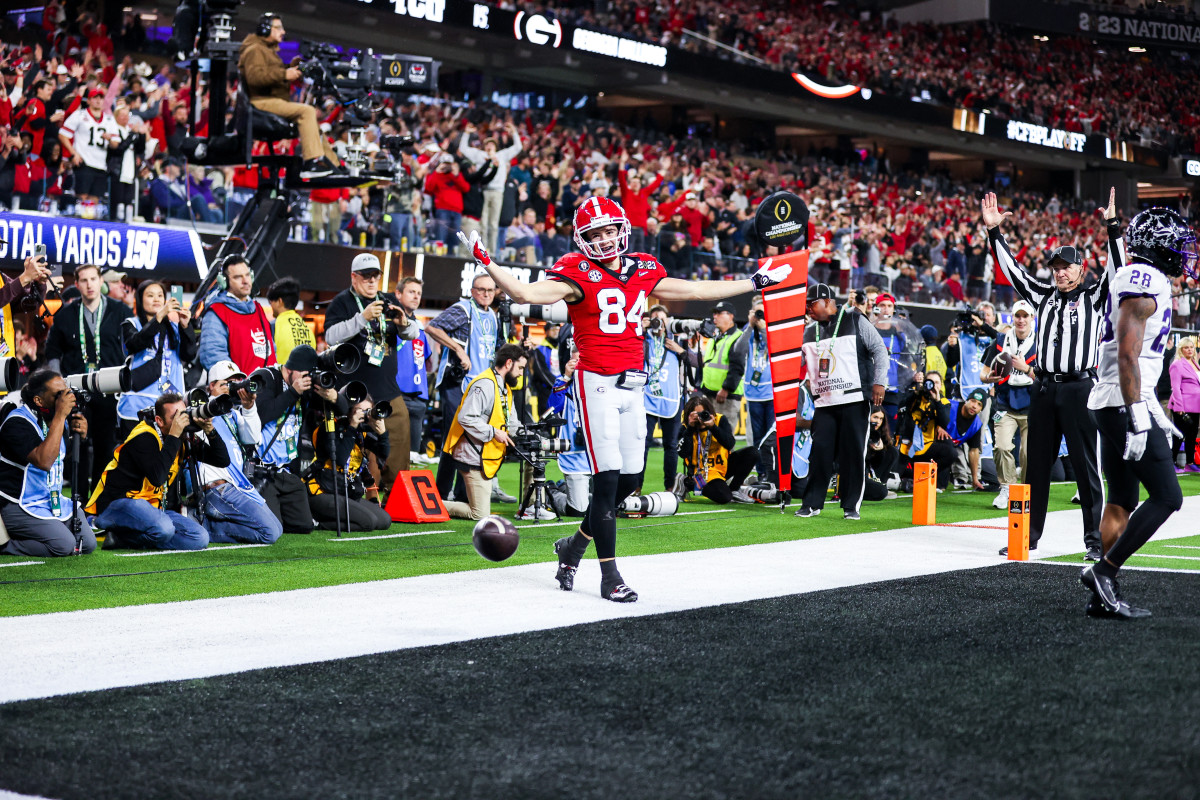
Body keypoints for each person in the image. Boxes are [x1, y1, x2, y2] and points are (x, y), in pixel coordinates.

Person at [460, 195, 791, 601]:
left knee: (632, 479)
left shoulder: (643, 266)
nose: (602, 239)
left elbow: (697, 288)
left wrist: (754, 280)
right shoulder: (575, 270)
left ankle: (574, 546)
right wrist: (486, 261)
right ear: (582, 238)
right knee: (608, 477)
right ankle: (609, 577)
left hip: (634, 384)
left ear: (622, 228)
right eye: (593, 233)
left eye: (608, 229)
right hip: (595, 380)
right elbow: (527, 294)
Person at [984, 191, 1112, 559]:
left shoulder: (1094, 297)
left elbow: (1117, 270)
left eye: (1066, 266)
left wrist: (1113, 228)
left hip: (1080, 387)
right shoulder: (1044, 295)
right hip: (1044, 387)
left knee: (1087, 469)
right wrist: (995, 233)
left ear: (1081, 269)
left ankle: (1094, 541)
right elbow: (1014, 272)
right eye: (1056, 265)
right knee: (1034, 466)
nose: (1059, 270)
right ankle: (1028, 536)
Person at [1082, 206, 1192, 619]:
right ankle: (1105, 573)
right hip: (1124, 401)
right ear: (1159, 246)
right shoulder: (1144, 278)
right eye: (1177, 246)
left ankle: (1101, 596)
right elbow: (1128, 354)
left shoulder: (1140, 277)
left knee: (1121, 502)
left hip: (1113, 399)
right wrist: (1139, 414)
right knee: (1168, 495)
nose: (1183, 254)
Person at [323, 253, 421, 486]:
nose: (371, 281)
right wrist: (362, 318)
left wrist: (403, 323)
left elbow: (414, 333)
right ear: (354, 277)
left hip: (388, 390)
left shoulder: (388, 300)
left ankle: (395, 497)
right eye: (365, 276)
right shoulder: (342, 301)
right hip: (355, 393)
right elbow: (330, 336)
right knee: (363, 453)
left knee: (398, 446)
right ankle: (364, 495)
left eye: (375, 276)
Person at [86, 392, 229, 551]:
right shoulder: (144, 437)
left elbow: (222, 460)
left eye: (183, 414)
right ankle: (108, 523)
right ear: (159, 421)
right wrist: (174, 435)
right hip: (121, 503)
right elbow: (157, 477)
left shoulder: (181, 439)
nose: (180, 421)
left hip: (154, 509)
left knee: (199, 538)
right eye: (175, 417)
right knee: (164, 529)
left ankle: (123, 538)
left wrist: (210, 430)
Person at [794, 283, 889, 520]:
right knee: (820, 452)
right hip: (824, 402)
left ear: (827, 302)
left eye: (811, 304)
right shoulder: (808, 331)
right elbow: (798, 364)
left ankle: (850, 505)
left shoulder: (855, 319)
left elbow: (879, 349)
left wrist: (879, 382)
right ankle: (812, 503)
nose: (807, 309)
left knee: (853, 453)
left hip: (855, 398)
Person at [45, 263, 134, 488]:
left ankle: (99, 503)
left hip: (109, 389)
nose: (89, 285)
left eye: (93, 279)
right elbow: (53, 351)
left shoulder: (121, 311)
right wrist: (59, 386)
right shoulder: (65, 314)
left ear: (101, 281)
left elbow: (133, 348)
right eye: (84, 280)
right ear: (77, 284)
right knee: (79, 445)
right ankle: (79, 500)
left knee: (105, 447)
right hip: (76, 390)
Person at [426, 272, 509, 503]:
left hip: (480, 387)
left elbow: (497, 349)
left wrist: (520, 347)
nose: (485, 293)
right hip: (457, 383)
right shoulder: (463, 309)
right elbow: (432, 328)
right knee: (454, 438)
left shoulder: (492, 316)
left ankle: (463, 496)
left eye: (490, 290)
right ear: (472, 291)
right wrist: (458, 349)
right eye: (480, 289)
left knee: (472, 440)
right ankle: (441, 494)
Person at [0, 369, 95, 557]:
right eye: (58, 395)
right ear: (38, 401)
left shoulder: (54, 420)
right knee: (65, 545)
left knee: (87, 543)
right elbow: (44, 461)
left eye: (65, 392)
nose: (65, 398)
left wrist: (79, 438)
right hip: (17, 503)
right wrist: (60, 416)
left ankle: (44, 532)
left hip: (49, 500)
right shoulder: (17, 423)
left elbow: (58, 457)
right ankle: (6, 546)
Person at [237, 13, 341, 179]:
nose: (283, 31)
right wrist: (285, 74)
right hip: (261, 102)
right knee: (307, 111)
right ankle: (311, 163)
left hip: (273, 100)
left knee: (311, 122)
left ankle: (333, 165)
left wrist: (291, 67)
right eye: (278, 28)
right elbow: (255, 78)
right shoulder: (254, 50)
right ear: (264, 30)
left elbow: (268, 73)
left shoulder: (266, 50)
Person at [250, 345, 340, 534]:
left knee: (304, 526)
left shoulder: (305, 387)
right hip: (262, 470)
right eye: (304, 374)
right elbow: (260, 414)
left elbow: (342, 411)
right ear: (289, 369)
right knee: (274, 527)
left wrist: (333, 397)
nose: (306, 379)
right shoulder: (266, 376)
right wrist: (292, 392)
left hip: (288, 472)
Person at [194, 361, 282, 545]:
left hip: (238, 486)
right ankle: (206, 527)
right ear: (211, 386)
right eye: (226, 384)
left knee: (277, 528)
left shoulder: (234, 415)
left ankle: (212, 522)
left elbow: (252, 437)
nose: (231, 388)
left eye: (237, 382)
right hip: (217, 489)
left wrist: (249, 406)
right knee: (269, 533)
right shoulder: (202, 412)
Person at [441, 344, 526, 521]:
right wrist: (495, 432)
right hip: (472, 457)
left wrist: (530, 435)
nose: (521, 373)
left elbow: (512, 423)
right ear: (509, 363)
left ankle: (530, 508)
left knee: (478, 507)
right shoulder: (485, 384)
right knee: (480, 514)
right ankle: (428, 503)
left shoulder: (504, 388)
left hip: (483, 456)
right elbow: (466, 418)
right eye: (520, 368)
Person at [116, 280, 197, 433]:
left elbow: (189, 354)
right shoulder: (131, 324)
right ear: (140, 300)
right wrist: (159, 316)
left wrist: (186, 326)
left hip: (171, 405)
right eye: (150, 295)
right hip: (137, 403)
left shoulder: (174, 327)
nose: (156, 299)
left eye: (160, 295)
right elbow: (134, 344)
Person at [307, 388, 393, 531]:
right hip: (324, 491)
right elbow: (340, 458)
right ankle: (316, 522)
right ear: (348, 409)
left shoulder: (361, 432)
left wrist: (382, 434)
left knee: (384, 521)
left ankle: (333, 516)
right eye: (360, 411)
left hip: (347, 491)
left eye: (368, 411)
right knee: (368, 522)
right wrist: (352, 427)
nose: (365, 415)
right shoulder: (330, 427)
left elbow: (383, 453)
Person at [980, 299, 1037, 509]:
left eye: (1025, 316)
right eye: (1017, 316)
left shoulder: (1042, 343)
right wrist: (990, 379)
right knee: (1001, 446)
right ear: (1012, 318)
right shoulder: (1000, 340)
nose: (1021, 320)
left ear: (1032, 318)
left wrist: (1027, 369)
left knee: (1028, 452)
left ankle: (1026, 490)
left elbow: (1047, 377)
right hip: (1004, 404)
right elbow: (983, 373)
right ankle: (1006, 487)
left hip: (1033, 406)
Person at [198, 254, 277, 374]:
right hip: (239, 390)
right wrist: (237, 385)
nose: (245, 281)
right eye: (238, 277)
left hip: (268, 387)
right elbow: (213, 356)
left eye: (247, 275)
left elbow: (272, 349)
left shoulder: (258, 309)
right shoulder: (216, 313)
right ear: (224, 281)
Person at [678, 394, 758, 504]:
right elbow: (682, 453)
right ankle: (688, 483)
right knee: (724, 497)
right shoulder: (686, 427)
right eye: (697, 415)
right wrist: (691, 428)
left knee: (752, 452)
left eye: (703, 414)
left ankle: (734, 489)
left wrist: (713, 427)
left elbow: (730, 444)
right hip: (701, 473)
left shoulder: (719, 420)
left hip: (723, 468)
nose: (700, 418)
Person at [458, 121, 524, 254]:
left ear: (496, 146)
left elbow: (518, 147)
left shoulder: (502, 155)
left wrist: (514, 132)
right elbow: (463, 149)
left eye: (492, 143)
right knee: (483, 223)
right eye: (487, 143)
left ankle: (492, 252)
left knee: (493, 224)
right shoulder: (479, 155)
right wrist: (466, 134)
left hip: (498, 191)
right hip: (483, 191)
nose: (489, 145)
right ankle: (483, 251)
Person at [642, 305, 685, 492]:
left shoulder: (677, 340)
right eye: (654, 318)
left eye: (662, 318)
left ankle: (670, 486)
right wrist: (639, 329)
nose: (658, 322)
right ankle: (636, 486)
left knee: (671, 445)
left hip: (672, 398)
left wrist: (680, 350)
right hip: (648, 398)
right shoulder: (643, 339)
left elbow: (695, 361)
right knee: (642, 444)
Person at [392, 277, 432, 464]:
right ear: (398, 294)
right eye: (411, 292)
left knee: (412, 457)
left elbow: (426, 359)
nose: (416, 296)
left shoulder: (420, 327)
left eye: (419, 293)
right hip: (396, 393)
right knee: (393, 453)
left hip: (418, 396)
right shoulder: (390, 323)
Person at [735, 294, 775, 479]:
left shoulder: (773, 329)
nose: (759, 315)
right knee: (757, 437)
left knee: (771, 437)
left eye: (762, 312)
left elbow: (776, 348)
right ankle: (761, 473)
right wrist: (750, 326)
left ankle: (772, 471)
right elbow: (738, 350)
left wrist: (764, 328)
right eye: (757, 312)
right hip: (753, 393)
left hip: (771, 392)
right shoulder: (748, 330)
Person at [896, 371, 956, 492]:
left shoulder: (943, 402)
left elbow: (944, 422)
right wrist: (915, 389)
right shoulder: (915, 396)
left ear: (941, 385)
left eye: (937, 382)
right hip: (906, 446)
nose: (933, 386)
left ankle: (924, 476)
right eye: (930, 382)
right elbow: (902, 405)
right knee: (894, 474)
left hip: (926, 446)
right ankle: (912, 477)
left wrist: (937, 400)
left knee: (950, 451)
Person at [58, 86, 115, 206]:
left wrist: (110, 140)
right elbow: (63, 134)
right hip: (84, 163)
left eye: (100, 98)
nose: (98, 100)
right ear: (88, 100)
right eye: (95, 98)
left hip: (101, 164)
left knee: (94, 201)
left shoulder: (110, 119)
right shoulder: (80, 115)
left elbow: (115, 144)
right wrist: (74, 153)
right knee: (81, 198)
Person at [700, 301, 745, 423]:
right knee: (707, 436)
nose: (715, 316)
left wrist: (726, 389)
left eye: (719, 313)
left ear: (731, 316)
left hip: (726, 396)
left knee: (723, 437)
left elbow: (738, 367)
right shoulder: (715, 337)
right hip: (710, 393)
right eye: (714, 313)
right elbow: (707, 363)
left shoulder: (738, 337)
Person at [1167, 335, 1200, 470]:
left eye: (1191, 347)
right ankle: (1172, 462)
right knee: (1179, 434)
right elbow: (1175, 387)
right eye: (1186, 347)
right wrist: (1179, 406)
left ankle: (1190, 463)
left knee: (1192, 435)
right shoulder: (1177, 364)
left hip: (1195, 405)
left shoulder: (1195, 363)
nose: (1190, 350)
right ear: (1181, 349)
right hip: (1183, 405)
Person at [267, 276, 315, 367]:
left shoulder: (274, 326)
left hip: (282, 378)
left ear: (279, 301)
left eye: (271, 302)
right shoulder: (307, 328)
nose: (271, 306)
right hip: (305, 379)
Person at [946, 388, 988, 490]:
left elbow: (973, 451)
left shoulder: (976, 425)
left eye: (979, 404)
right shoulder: (949, 406)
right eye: (973, 401)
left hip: (946, 452)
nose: (974, 406)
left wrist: (974, 478)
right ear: (966, 400)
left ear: (981, 410)